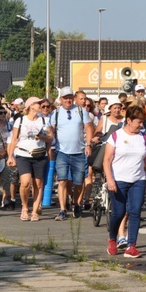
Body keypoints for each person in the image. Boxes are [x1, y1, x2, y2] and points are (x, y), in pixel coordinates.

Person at [104, 105, 146, 258]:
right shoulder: (116, 136)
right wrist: (110, 179)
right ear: (129, 120)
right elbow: (107, 160)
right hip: (118, 180)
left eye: (143, 122)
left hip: (138, 180)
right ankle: (112, 238)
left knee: (135, 212)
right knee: (118, 212)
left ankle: (131, 246)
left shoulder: (143, 137)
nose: (142, 125)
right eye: (139, 122)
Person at [51, 87, 94, 221]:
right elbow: (50, 130)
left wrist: (88, 145)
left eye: (70, 97)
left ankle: (76, 204)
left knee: (79, 182)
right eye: (65, 98)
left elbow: (88, 127)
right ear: (61, 99)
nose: (68, 100)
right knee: (62, 180)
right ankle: (63, 209)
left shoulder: (80, 111)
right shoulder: (56, 113)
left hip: (79, 152)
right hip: (62, 152)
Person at [7, 97, 53, 221]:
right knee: (25, 182)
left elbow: (50, 138)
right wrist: (10, 156)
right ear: (31, 106)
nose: (41, 105)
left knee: (38, 184)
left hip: (39, 155)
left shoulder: (45, 120)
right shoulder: (21, 120)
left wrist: (42, 137)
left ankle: (35, 210)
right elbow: (14, 139)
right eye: (38, 103)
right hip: (23, 154)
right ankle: (25, 207)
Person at [0, 105, 19, 210]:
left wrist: (8, 153)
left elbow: (13, 139)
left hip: (6, 154)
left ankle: (5, 198)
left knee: (6, 178)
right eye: (0, 113)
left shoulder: (10, 125)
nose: (2, 115)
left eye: (4, 113)